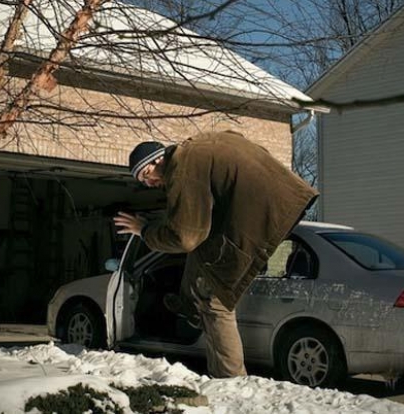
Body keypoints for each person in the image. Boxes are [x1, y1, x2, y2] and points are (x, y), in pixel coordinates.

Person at [113, 130, 318, 378]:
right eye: (143, 182)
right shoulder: (197, 149)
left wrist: (144, 230)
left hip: (262, 213)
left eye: (147, 175)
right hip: (282, 198)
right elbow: (194, 226)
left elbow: (185, 237)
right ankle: (189, 306)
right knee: (205, 252)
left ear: (158, 160)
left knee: (215, 300)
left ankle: (231, 381)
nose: (149, 183)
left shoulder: (181, 168)